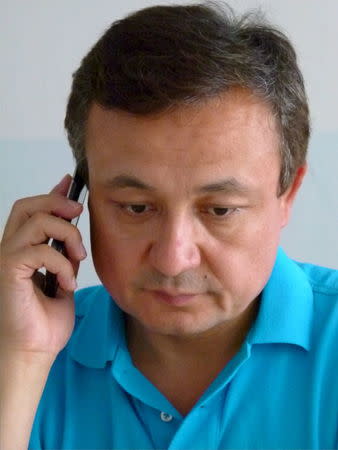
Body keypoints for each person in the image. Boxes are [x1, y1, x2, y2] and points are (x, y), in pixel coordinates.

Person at [0, 2, 337, 449]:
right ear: (78, 202)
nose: (173, 258)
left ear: (286, 196)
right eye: (136, 207)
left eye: (220, 210)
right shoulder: (22, 346)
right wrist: (21, 361)